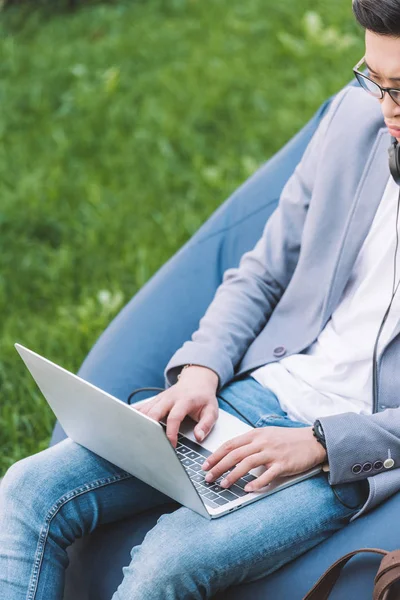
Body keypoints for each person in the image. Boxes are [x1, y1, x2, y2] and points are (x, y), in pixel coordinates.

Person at [1, 1, 400, 598]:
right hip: (253, 395)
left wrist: (321, 444)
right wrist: (200, 372)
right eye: (377, 80)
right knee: (26, 487)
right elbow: (262, 271)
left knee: (170, 561)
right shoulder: (352, 119)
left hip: (344, 448)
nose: (386, 109)